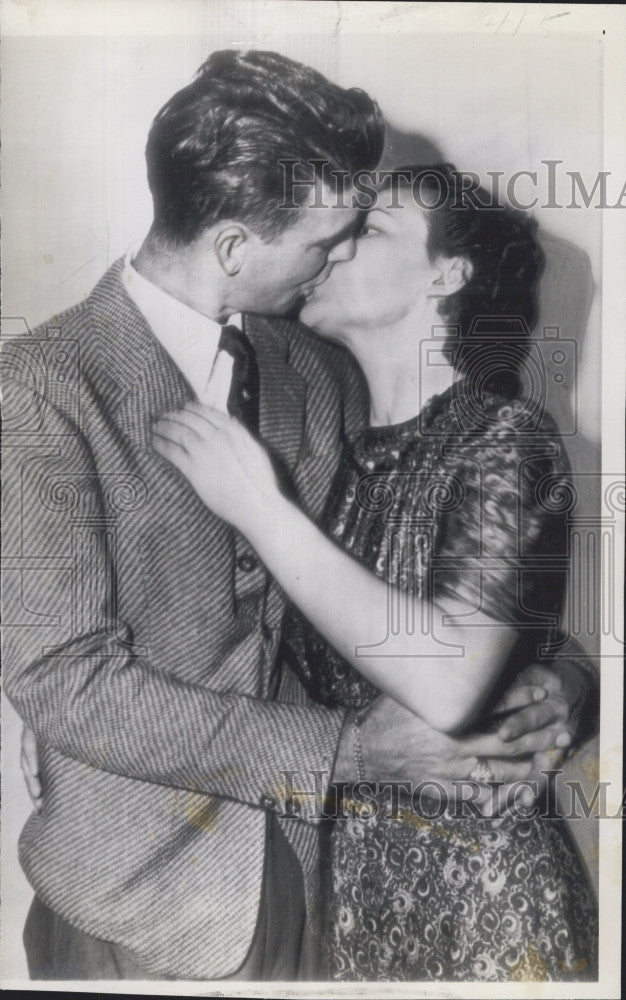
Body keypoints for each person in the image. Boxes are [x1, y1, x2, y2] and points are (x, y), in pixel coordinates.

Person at [152, 164, 598, 981]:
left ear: (448, 274)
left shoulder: (507, 436)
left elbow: (449, 679)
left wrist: (260, 508)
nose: (333, 247)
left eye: (371, 231)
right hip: (345, 905)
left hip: (491, 905)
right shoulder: (322, 451)